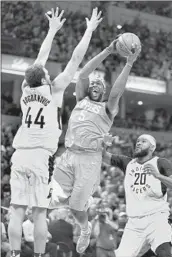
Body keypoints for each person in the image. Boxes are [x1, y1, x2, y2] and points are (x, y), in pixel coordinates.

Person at [8, 6, 103, 257]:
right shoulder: (56, 89)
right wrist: (89, 31)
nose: (49, 72)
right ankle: (39, 255)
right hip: (41, 157)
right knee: (40, 211)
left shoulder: (26, 87)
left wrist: (51, 31)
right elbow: (75, 59)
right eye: (48, 72)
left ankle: (14, 254)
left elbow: (39, 61)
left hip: (20, 154)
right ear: (46, 79)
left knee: (16, 209)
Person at [52, 36, 141, 254]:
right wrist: (108, 50)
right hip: (68, 154)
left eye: (100, 85)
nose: (95, 85)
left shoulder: (107, 109)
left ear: (103, 91)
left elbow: (117, 92)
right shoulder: (81, 99)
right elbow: (82, 74)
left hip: (89, 159)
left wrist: (129, 63)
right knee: (53, 200)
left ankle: (84, 229)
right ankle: (79, 211)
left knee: (75, 206)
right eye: (93, 84)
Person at [103, 133, 172, 257]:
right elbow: (102, 156)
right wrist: (103, 145)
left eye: (143, 141)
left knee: (165, 253)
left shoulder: (161, 162)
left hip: (157, 218)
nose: (138, 143)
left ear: (152, 148)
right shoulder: (127, 163)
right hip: (134, 222)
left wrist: (158, 176)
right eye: (138, 141)